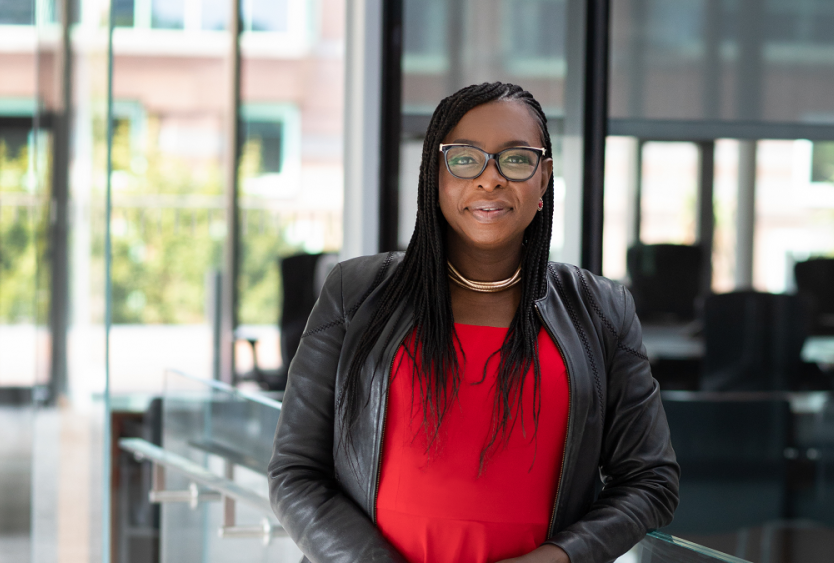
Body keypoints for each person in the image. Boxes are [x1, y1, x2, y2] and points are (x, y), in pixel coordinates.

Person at [268, 82, 679, 563]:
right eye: (465, 159)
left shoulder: (602, 310)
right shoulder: (355, 292)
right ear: (435, 174)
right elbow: (294, 473)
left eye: (516, 159)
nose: (490, 180)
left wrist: (558, 559)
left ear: (544, 178)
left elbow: (651, 482)